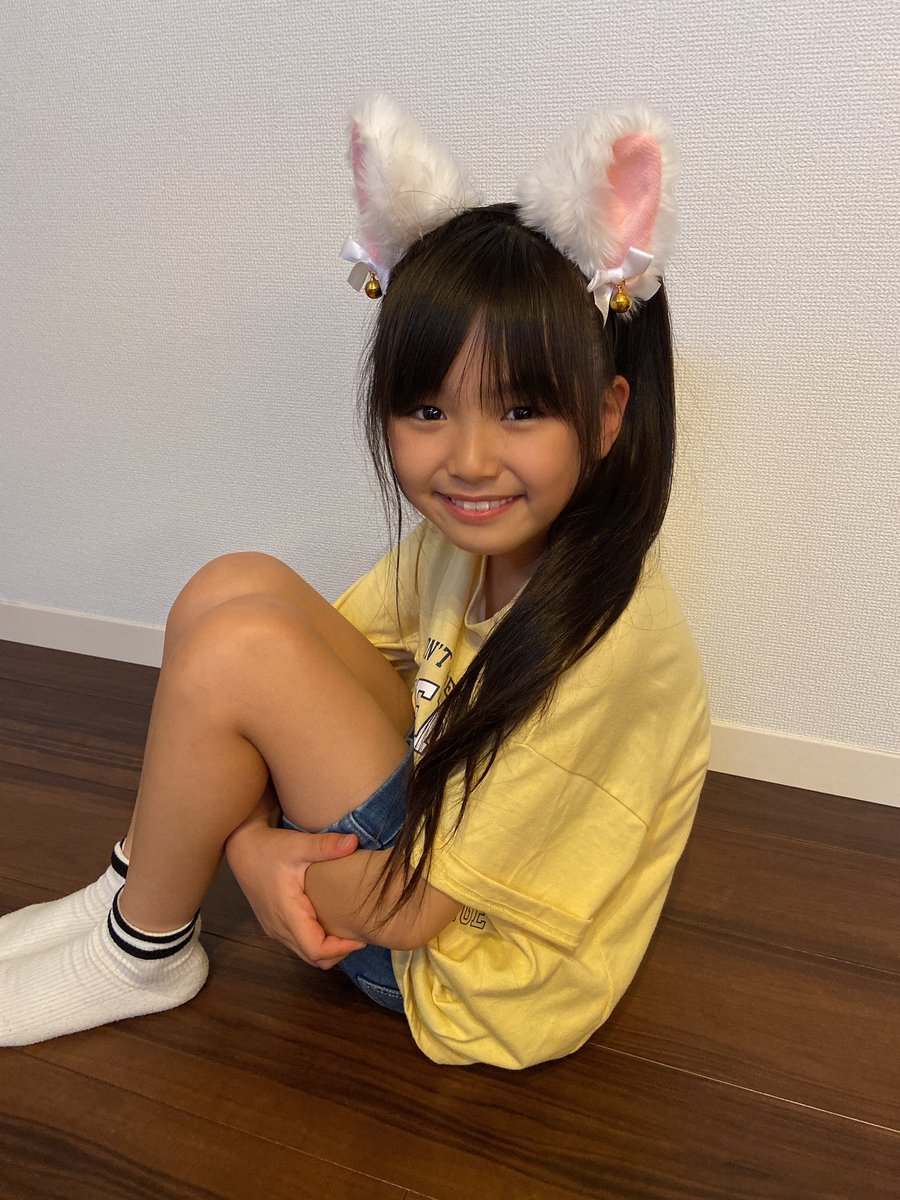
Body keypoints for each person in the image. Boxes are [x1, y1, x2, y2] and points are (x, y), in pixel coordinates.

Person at [0, 92, 710, 1069]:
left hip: (460, 971)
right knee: (228, 589)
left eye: (520, 411)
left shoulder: (606, 647)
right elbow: (307, 675)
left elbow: (410, 912)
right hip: (425, 829)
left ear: (608, 414)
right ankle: (133, 894)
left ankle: (142, 945)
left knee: (238, 653)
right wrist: (245, 839)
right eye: (428, 409)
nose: (469, 459)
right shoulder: (467, 545)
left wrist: (251, 855)